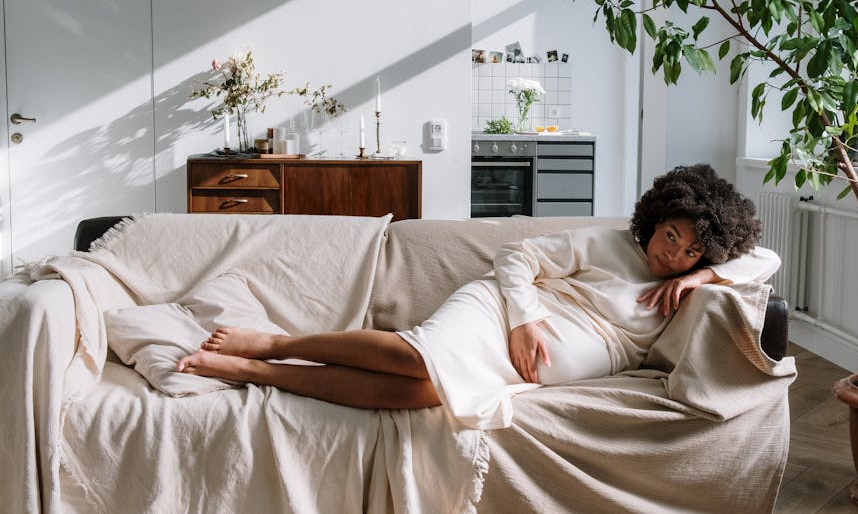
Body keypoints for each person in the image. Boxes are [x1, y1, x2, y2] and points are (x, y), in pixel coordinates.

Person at [177, 164, 779, 429]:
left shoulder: (698, 273)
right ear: (654, 220)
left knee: (421, 394)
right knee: (418, 358)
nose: (670, 255)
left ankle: (256, 372)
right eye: (668, 236)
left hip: (539, 363)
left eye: (689, 251)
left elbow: (767, 258)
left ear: (709, 252)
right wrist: (524, 320)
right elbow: (515, 258)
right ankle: (276, 344)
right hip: (504, 312)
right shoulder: (608, 242)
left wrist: (701, 279)